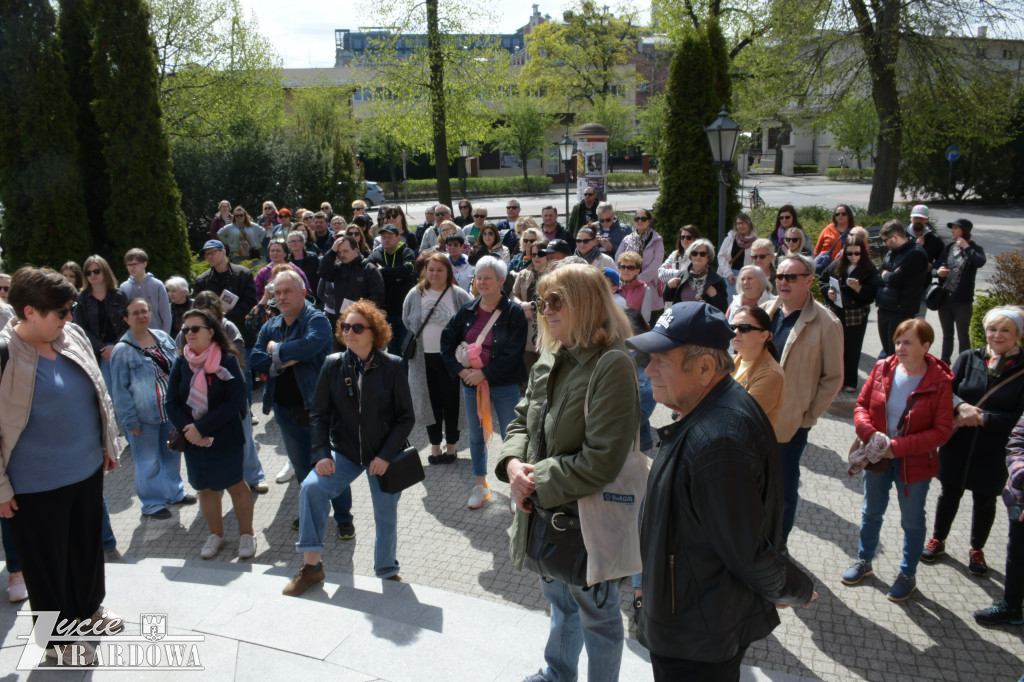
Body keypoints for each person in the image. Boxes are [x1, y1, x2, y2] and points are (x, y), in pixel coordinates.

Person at [627, 300, 816, 680]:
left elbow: (746, 551)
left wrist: (794, 588)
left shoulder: (719, 440)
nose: (648, 371)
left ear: (704, 367)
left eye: (661, 360)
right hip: (690, 619)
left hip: (694, 635)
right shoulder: (710, 411)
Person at [496, 263, 641, 682]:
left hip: (585, 525)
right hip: (546, 517)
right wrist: (511, 466)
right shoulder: (553, 351)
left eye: (557, 300)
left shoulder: (612, 363)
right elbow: (522, 421)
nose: (546, 309)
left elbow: (601, 460)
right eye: (542, 301)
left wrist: (535, 477)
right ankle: (559, 674)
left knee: (598, 618)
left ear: (585, 302)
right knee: (559, 604)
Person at [0, 267, 124, 666]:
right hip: (32, 487)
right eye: (61, 312)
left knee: (86, 550)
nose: (69, 318)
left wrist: (107, 443)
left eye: (71, 309)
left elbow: (97, 393)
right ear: (29, 312)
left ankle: (89, 613)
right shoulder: (4, 355)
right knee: (46, 566)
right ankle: (56, 641)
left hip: (86, 470)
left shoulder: (71, 335)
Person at [283, 300, 414, 596]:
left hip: (384, 455)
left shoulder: (393, 366)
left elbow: (406, 418)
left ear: (374, 332)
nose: (350, 332)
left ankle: (386, 571)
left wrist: (385, 455)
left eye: (357, 327)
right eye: (345, 327)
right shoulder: (332, 364)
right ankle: (312, 568)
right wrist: (321, 454)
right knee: (311, 488)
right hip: (344, 452)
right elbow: (318, 413)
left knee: (385, 514)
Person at [843, 319, 954, 601]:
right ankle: (864, 561)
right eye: (898, 341)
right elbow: (861, 407)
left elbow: (941, 431)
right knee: (871, 512)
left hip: (913, 463)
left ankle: (907, 574)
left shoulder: (939, 381)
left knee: (912, 520)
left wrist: (896, 447)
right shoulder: (883, 367)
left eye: (908, 342)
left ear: (926, 346)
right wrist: (870, 434)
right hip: (877, 456)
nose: (900, 347)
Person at [249, 271, 355, 537]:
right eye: (277, 293)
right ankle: (312, 511)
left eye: (287, 292)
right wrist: (283, 360)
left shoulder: (316, 319)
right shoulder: (270, 325)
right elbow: (255, 358)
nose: (281, 297)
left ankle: (343, 517)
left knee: (329, 463)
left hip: (318, 408)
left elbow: (310, 347)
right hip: (284, 410)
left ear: (303, 292)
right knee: (301, 467)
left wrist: (276, 350)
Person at [922, 307, 1024, 576]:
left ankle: (977, 549)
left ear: (1018, 336)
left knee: (985, 500)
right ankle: (938, 539)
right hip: (958, 441)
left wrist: (982, 418)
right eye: (992, 329)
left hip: (996, 448)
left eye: (1005, 330)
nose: (997, 335)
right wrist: (961, 407)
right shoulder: (969, 358)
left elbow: (1019, 416)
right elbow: (946, 392)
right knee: (949, 493)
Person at [763, 254, 843, 545]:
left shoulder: (826, 322)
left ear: (809, 281)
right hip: (754, 417)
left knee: (782, 489)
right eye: (780, 276)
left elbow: (833, 378)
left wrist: (807, 417)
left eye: (791, 277)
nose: (783, 282)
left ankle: (777, 547)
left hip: (790, 424)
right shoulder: (764, 312)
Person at [167, 309, 256, 561]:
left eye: (195, 329)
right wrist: (190, 430)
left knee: (234, 485)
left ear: (212, 332)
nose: (189, 334)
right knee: (205, 489)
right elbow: (171, 402)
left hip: (224, 437)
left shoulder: (226, 360)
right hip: (194, 441)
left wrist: (202, 428)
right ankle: (216, 534)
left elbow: (235, 401)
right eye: (186, 330)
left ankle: (247, 534)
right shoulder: (181, 362)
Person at [441, 256, 527, 509]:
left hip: (504, 385)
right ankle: (481, 485)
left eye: (488, 277)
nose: (482, 282)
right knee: (477, 437)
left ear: (501, 280)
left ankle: (517, 489)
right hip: (471, 385)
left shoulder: (514, 313)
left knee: (513, 435)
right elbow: (447, 341)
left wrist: (485, 373)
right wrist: (460, 371)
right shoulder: (468, 309)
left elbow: (514, 353)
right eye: (479, 278)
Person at [111, 298, 193, 519]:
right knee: (148, 461)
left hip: (169, 413)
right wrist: (130, 422)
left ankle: (174, 493)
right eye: (135, 313)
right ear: (126, 319)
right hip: (143, 417)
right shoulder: (122, 350)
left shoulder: (163, 338)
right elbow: (119, 392)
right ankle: (152, 504)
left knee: (172, 454)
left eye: (144, 311)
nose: (141, 316)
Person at [403, 253, 472, 464]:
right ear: (425, 271)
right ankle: (434, 446)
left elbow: (470, 322)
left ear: (448, 272)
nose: (435, 274)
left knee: (452, 402)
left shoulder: (458, 294)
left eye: (440, 270)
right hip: (423, 360)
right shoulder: (415, 294)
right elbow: (407, 320)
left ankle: (451, 447)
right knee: (429, 403)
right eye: (431, 269)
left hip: (451, 361)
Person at [974, 414, 1024, 625]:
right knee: (1017, 551)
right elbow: (1017, 441)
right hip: (1019, 497)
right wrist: (1021, 473)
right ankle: (1011, 606)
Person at [193, 239, 260, 391]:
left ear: (224, 252)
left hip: (241, 333)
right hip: (212, 337)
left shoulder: (243, 274)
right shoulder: (202, 280)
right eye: (206, 254)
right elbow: (199, 308)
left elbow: (250, 302)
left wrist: (224, 317)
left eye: (212, 252)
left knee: (243, 374)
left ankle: (245, 410)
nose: (209, 256)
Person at [820, 234, 879, 392]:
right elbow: (822, 279)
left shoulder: (869, 269)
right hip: (838, 310)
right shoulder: (838, 263)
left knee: (852, 348)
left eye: (857, 253)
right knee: (835, 347)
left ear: (863, 253)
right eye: (850, 253)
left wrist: (859, 289)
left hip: (856, 313)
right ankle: (834, 379)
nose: (853, 257)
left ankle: (850, 381)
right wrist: (828, 292)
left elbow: (872, 293)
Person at [73, 254, 129, 396]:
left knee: (126, 389)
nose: (92, 275)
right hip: (97, 352)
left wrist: (116, 346)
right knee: (107, 391)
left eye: (96, 271)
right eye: (88, 273)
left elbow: (128, 323)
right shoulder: (82, 298)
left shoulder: (118, 295)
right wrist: (102, 349)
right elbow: (80, 327)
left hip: (121, 348)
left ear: (105, 271)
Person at [935, 218, 987, 364]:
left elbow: (980, 262)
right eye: (952, 228)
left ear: (964, 231)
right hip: (945, 297)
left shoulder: (975, 249)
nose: (952, 231)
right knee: (947, 334)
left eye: (956, 228)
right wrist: (938, 272)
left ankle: (965, 364)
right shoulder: (949, 248)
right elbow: (935, 267)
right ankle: (944, 362)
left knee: (963, 334)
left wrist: (967, 247)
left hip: (963, 300)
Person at [876, 219, 929, 358]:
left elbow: (896, 279)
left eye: (885, 240)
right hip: (885, 306)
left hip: (900, 310)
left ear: (895, 237)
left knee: (896, 353)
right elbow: (880, 273)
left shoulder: (915, 254)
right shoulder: (891, 252)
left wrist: (887, 276)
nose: (884, 244)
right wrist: (888, 275)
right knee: (887, 350)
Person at [317, 234, 386, 341]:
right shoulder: (339, 269)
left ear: (355, 250)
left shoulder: (369, 269)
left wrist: (358, 309)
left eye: (345, 251)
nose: (342, 255)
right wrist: (332, 251)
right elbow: (323, 272)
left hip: (363, 324)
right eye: (339, 252)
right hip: (342, 323)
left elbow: (378, 297)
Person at [730, 305, 786, 437]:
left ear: (764, 336)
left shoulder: (771, 375)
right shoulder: (734, 361)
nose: (736, 332)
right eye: (732, 327)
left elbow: (739, 419)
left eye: (744, 328)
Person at [369, 224, 418, 357]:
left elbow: (407, 270)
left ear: (398, 238)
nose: (386, 240)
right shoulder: (375, 254)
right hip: (385, 312)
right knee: (391, 352)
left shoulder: (407, 252)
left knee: (406, 350)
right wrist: (396, 276)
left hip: (404, 313)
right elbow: (371, 274)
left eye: (390, 237)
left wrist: (383, 271)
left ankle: (407, 378)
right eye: (384, 237)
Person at [615, 207, 664, 320]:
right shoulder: (627, 239)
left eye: (643, 218)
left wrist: (638, 279)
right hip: (626, 285)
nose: (640, 221)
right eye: (637, 219)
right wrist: (624, 276)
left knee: (647, 319)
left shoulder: (657, 240)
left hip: (649, 284)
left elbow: (656, 264)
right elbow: (618, 258)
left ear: (650, 221)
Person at [512, 239, 549, 384]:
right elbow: (512, 294)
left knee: (546, 367)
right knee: (528, 365)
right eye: (533, 255)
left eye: (541, 254)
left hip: (547, 326)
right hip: (526, 327)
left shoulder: (554, 275)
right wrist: (522, 305)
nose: (536, 258)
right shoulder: (523, 274)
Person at [663, 238, 728, 313]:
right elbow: (667, 299)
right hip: (683, 320)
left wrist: (714, 295)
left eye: (702, 254)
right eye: (694, 253)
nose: (698, 256)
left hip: (705, 322)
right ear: (690, 256)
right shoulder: (681, 276)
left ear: (708, 257)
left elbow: (723, 309)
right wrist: (669, 286)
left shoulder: (717, 281)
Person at [118, 249, 171, 334]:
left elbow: (166, 315)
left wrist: (164, 337)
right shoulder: (124, 287)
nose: (131, 268)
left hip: (156, 335)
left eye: (135, 264)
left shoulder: (157, 285)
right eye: (129, 265)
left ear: (144, 264)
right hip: (134, 336)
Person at [717, 212, 758, 297]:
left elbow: (757, 260)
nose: (741, 226)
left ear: (749, 224)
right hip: (730, 275)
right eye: (738, 223)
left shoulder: (756, 241)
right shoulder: (730, 239)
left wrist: (742, 275)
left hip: (747, 276)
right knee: (731, 304)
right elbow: (721, 256)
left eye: (743, 223)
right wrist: (729, 274)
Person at [814, 204, 858, 273]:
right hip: (828, 267)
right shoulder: (828, 229)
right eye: (837, 214)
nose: (840, 216)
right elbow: (818, 248)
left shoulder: (857, 230)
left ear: (849, 215)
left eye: (843, 214)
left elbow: (865, 250)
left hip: (849, 267)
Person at [657, 225, 700, 291]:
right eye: (682, 237)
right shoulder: (674, 254)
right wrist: (682, 273)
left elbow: (693, 277)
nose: (685, 240)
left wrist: (670, 272)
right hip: (673, 296)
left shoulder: (699, 256)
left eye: (689, 237)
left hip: (690, 293)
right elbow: (660, 273)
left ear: (695, 239)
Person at [617, 250, 655, 321]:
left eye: (630, 268)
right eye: (622, 267)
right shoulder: (612, 286)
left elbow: (645, 318)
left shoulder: (645, 289)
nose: (625, 270)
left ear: (637, 271)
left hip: (634, 329)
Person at [286, 230, 321, 302]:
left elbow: (320, 276)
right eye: (291, 241)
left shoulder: (313, 257)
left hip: (315, 298)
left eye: (296, 241)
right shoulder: (286, 261)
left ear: (303, 242)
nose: (294, 243)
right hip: (295, 299)